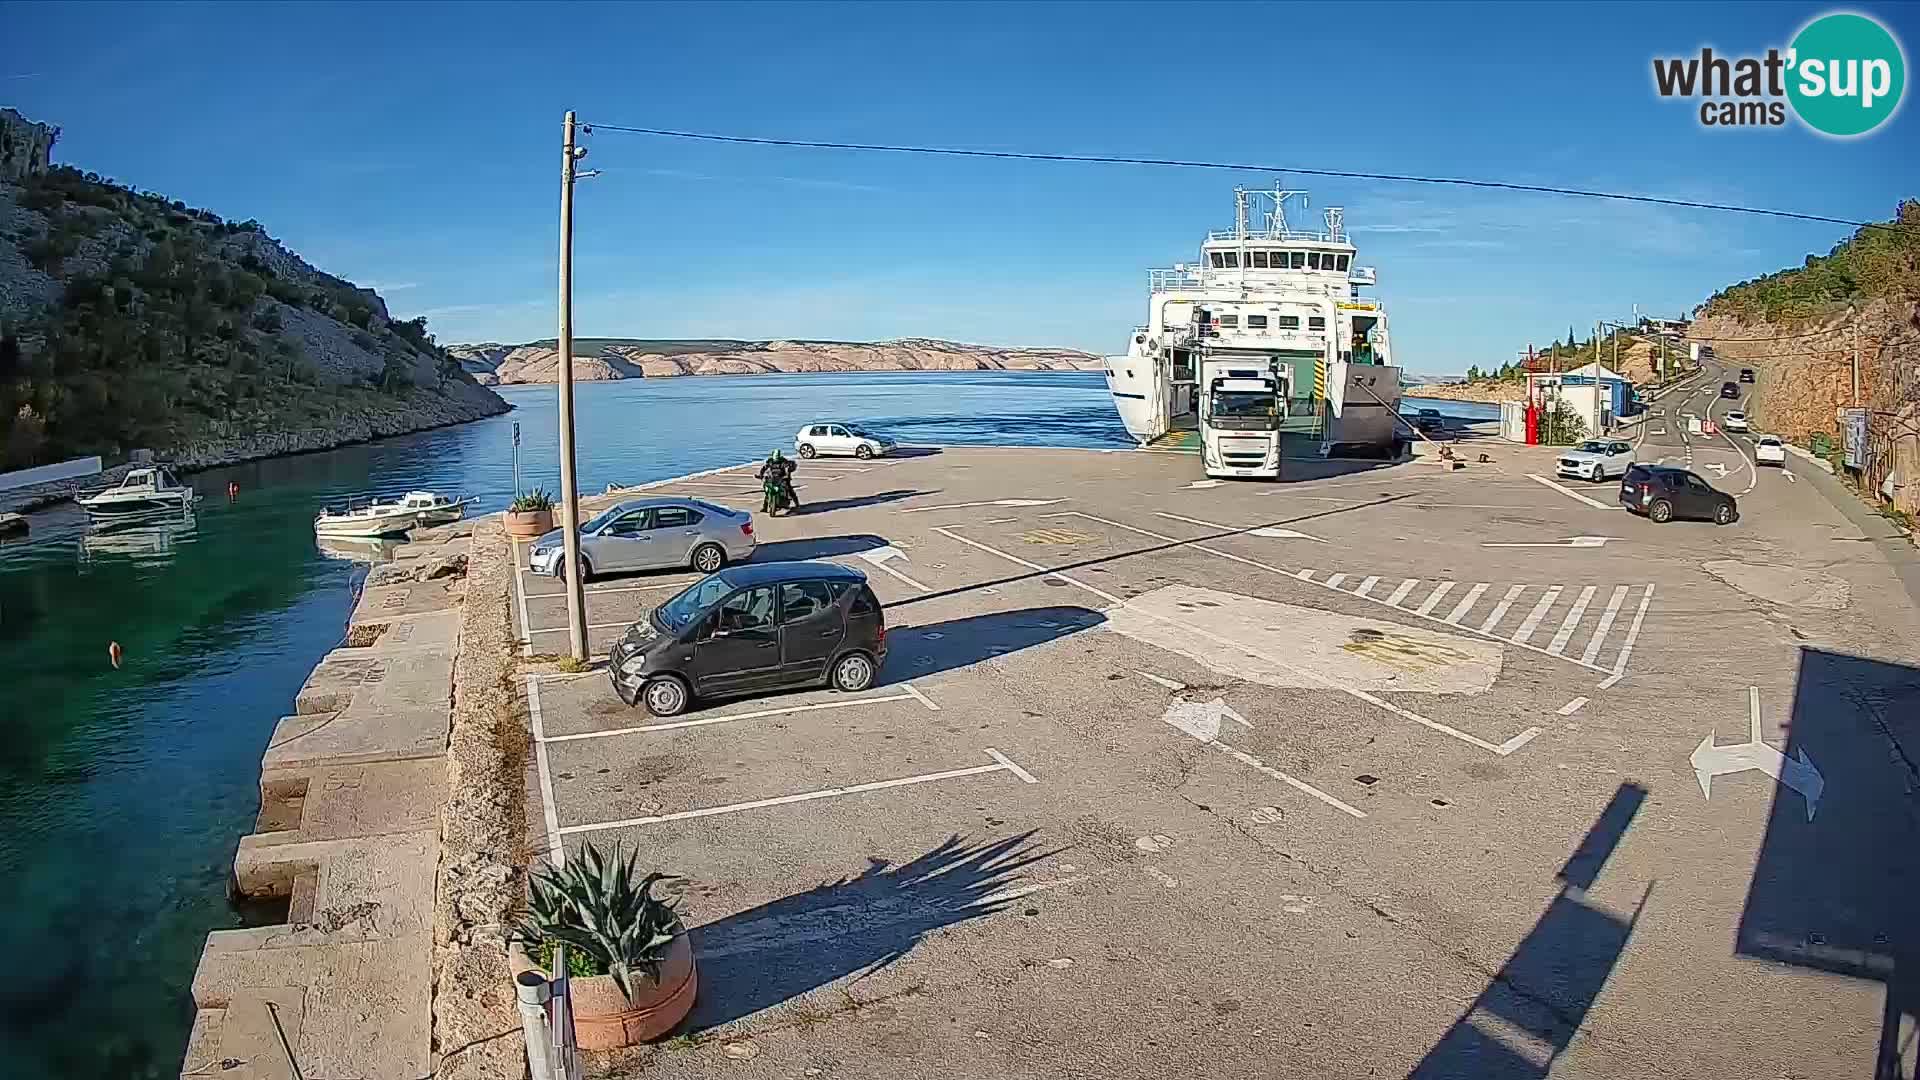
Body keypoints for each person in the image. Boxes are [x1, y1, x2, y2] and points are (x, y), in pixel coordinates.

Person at [757, 450, 800, 515]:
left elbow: (790, 465)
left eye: (777, 455)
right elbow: (764, 468)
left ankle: (797, 503)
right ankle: (765, 507)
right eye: (775, 455)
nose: (776, 457)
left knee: (789, 488)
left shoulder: (783, 461)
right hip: (772, 479)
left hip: (782, 478)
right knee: (768, 491)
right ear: (773, 455)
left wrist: (790, 468)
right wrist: (761, 475)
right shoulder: (770, 461)